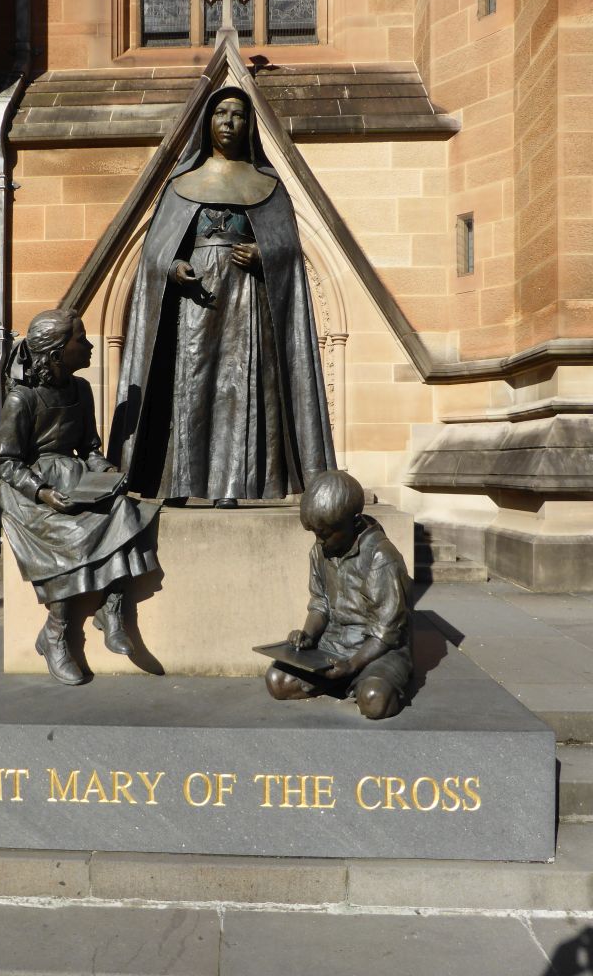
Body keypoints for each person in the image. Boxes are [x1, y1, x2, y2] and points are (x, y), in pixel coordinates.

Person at [108, 85, 335, 508]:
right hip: (193, 302)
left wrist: (267, 253)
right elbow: (156, 253)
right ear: (207, 122)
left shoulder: (267, 184)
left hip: (246, 299)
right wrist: (174, 269)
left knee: (239, 389)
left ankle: (231, 487)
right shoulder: (181, 184)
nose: (229, 123)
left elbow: (288, 246)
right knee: (187, 387)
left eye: (238, 115)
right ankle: (178, 481)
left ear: (249, 126)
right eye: (221, 114)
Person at [0, 309, 160, 685]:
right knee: (71, 533)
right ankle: (55, 633)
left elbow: (89, 448)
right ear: (55, 354)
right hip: (30, 490)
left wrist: (104, 472)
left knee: (122, 509)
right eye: (80, 339)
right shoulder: (22, 400)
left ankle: (113, 608)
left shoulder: (82, 390)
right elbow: (5, 463)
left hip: (74, 478)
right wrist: (43, 493)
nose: (88, 346)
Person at [265, 470, 412, 719]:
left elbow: (386, 634)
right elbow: (320, 602)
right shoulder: (320, 550)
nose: (319, 541)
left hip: (376, 651)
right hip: (332, 646)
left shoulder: (381, 557)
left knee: (375, 701)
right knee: (277, 680)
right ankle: (341, 681)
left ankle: (357, 681)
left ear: (354, 523)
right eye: (315, 533)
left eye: (324, 533)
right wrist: (308, 634)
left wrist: (353, 664)